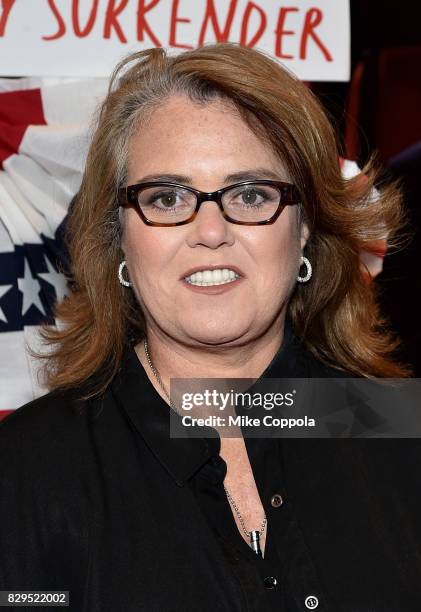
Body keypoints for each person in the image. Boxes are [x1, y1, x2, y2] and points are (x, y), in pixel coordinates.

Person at [0, 43, 420, 612]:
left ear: (303, 230)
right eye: (167, 197)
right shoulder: (25, 472)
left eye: (250, 194)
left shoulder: (395, 430)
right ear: (119, 237)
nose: (211, 229)